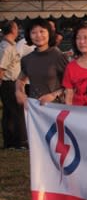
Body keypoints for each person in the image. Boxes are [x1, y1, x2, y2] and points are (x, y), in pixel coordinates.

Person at [15, 18, 68, 107]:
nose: (38, 35)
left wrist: (53, 95)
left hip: (56, 109)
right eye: (33, 32)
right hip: (34, 109)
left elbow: (70, 85)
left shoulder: (58, 56)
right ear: (29, 35)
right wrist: (19, 91)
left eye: (42, 31)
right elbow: (20, 80)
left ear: (49, 33)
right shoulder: (27, 59)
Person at [0, 21, 27, 149]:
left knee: (10, 113)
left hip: (11, 82)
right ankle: (18, 142)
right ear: (13, 30)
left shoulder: (10, 45)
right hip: (8, 83)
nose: (18, 30)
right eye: (16, 27)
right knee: (16, 112)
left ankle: (10, 142)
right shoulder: (6, 47)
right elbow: (1, 68)